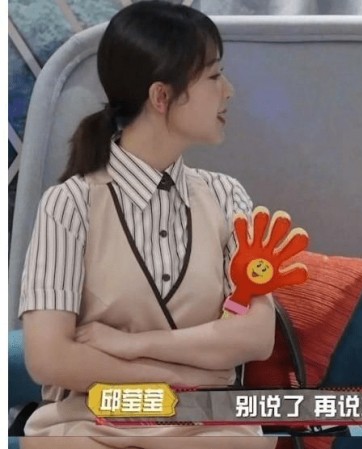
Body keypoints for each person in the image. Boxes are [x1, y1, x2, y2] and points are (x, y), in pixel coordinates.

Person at [18, 2, 277, 448]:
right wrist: (180, 379)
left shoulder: (227, 196)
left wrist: (130, 344)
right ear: (161, 97)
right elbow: (49, 357)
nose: (229, 91)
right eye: (214, 76)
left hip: (211, 429)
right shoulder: (70, 204)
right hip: (92, 422)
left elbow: (255, 336)